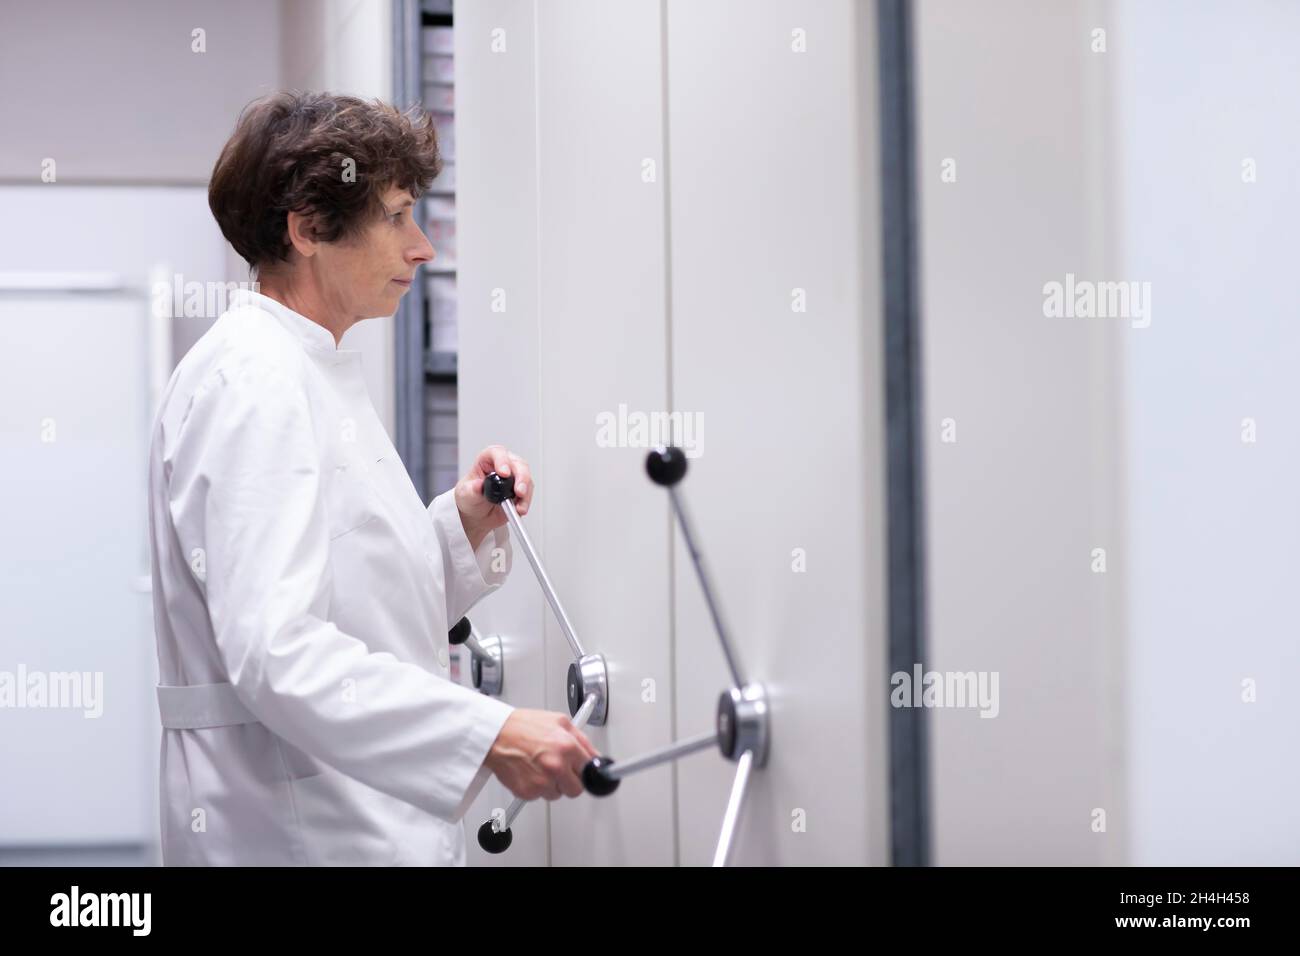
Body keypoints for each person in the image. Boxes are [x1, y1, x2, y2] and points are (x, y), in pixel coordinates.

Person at [146, 90, 594, 865]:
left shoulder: (298, 366)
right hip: (300, 829)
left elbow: (346, 597)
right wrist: (486, 733)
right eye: (396, 217)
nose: (422, 247)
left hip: (345, 816)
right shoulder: (255, 379)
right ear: (309, 229)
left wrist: (457, 527)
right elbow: (277, 650)